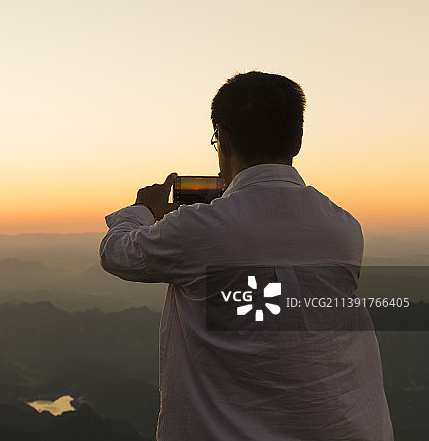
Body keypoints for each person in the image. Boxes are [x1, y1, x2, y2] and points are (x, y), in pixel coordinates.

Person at [99, 71, 393, 440]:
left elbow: (115, 253)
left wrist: (142, 208)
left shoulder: (200, 229)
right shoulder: (344, 228)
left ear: (221, 137)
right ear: (298, 140)